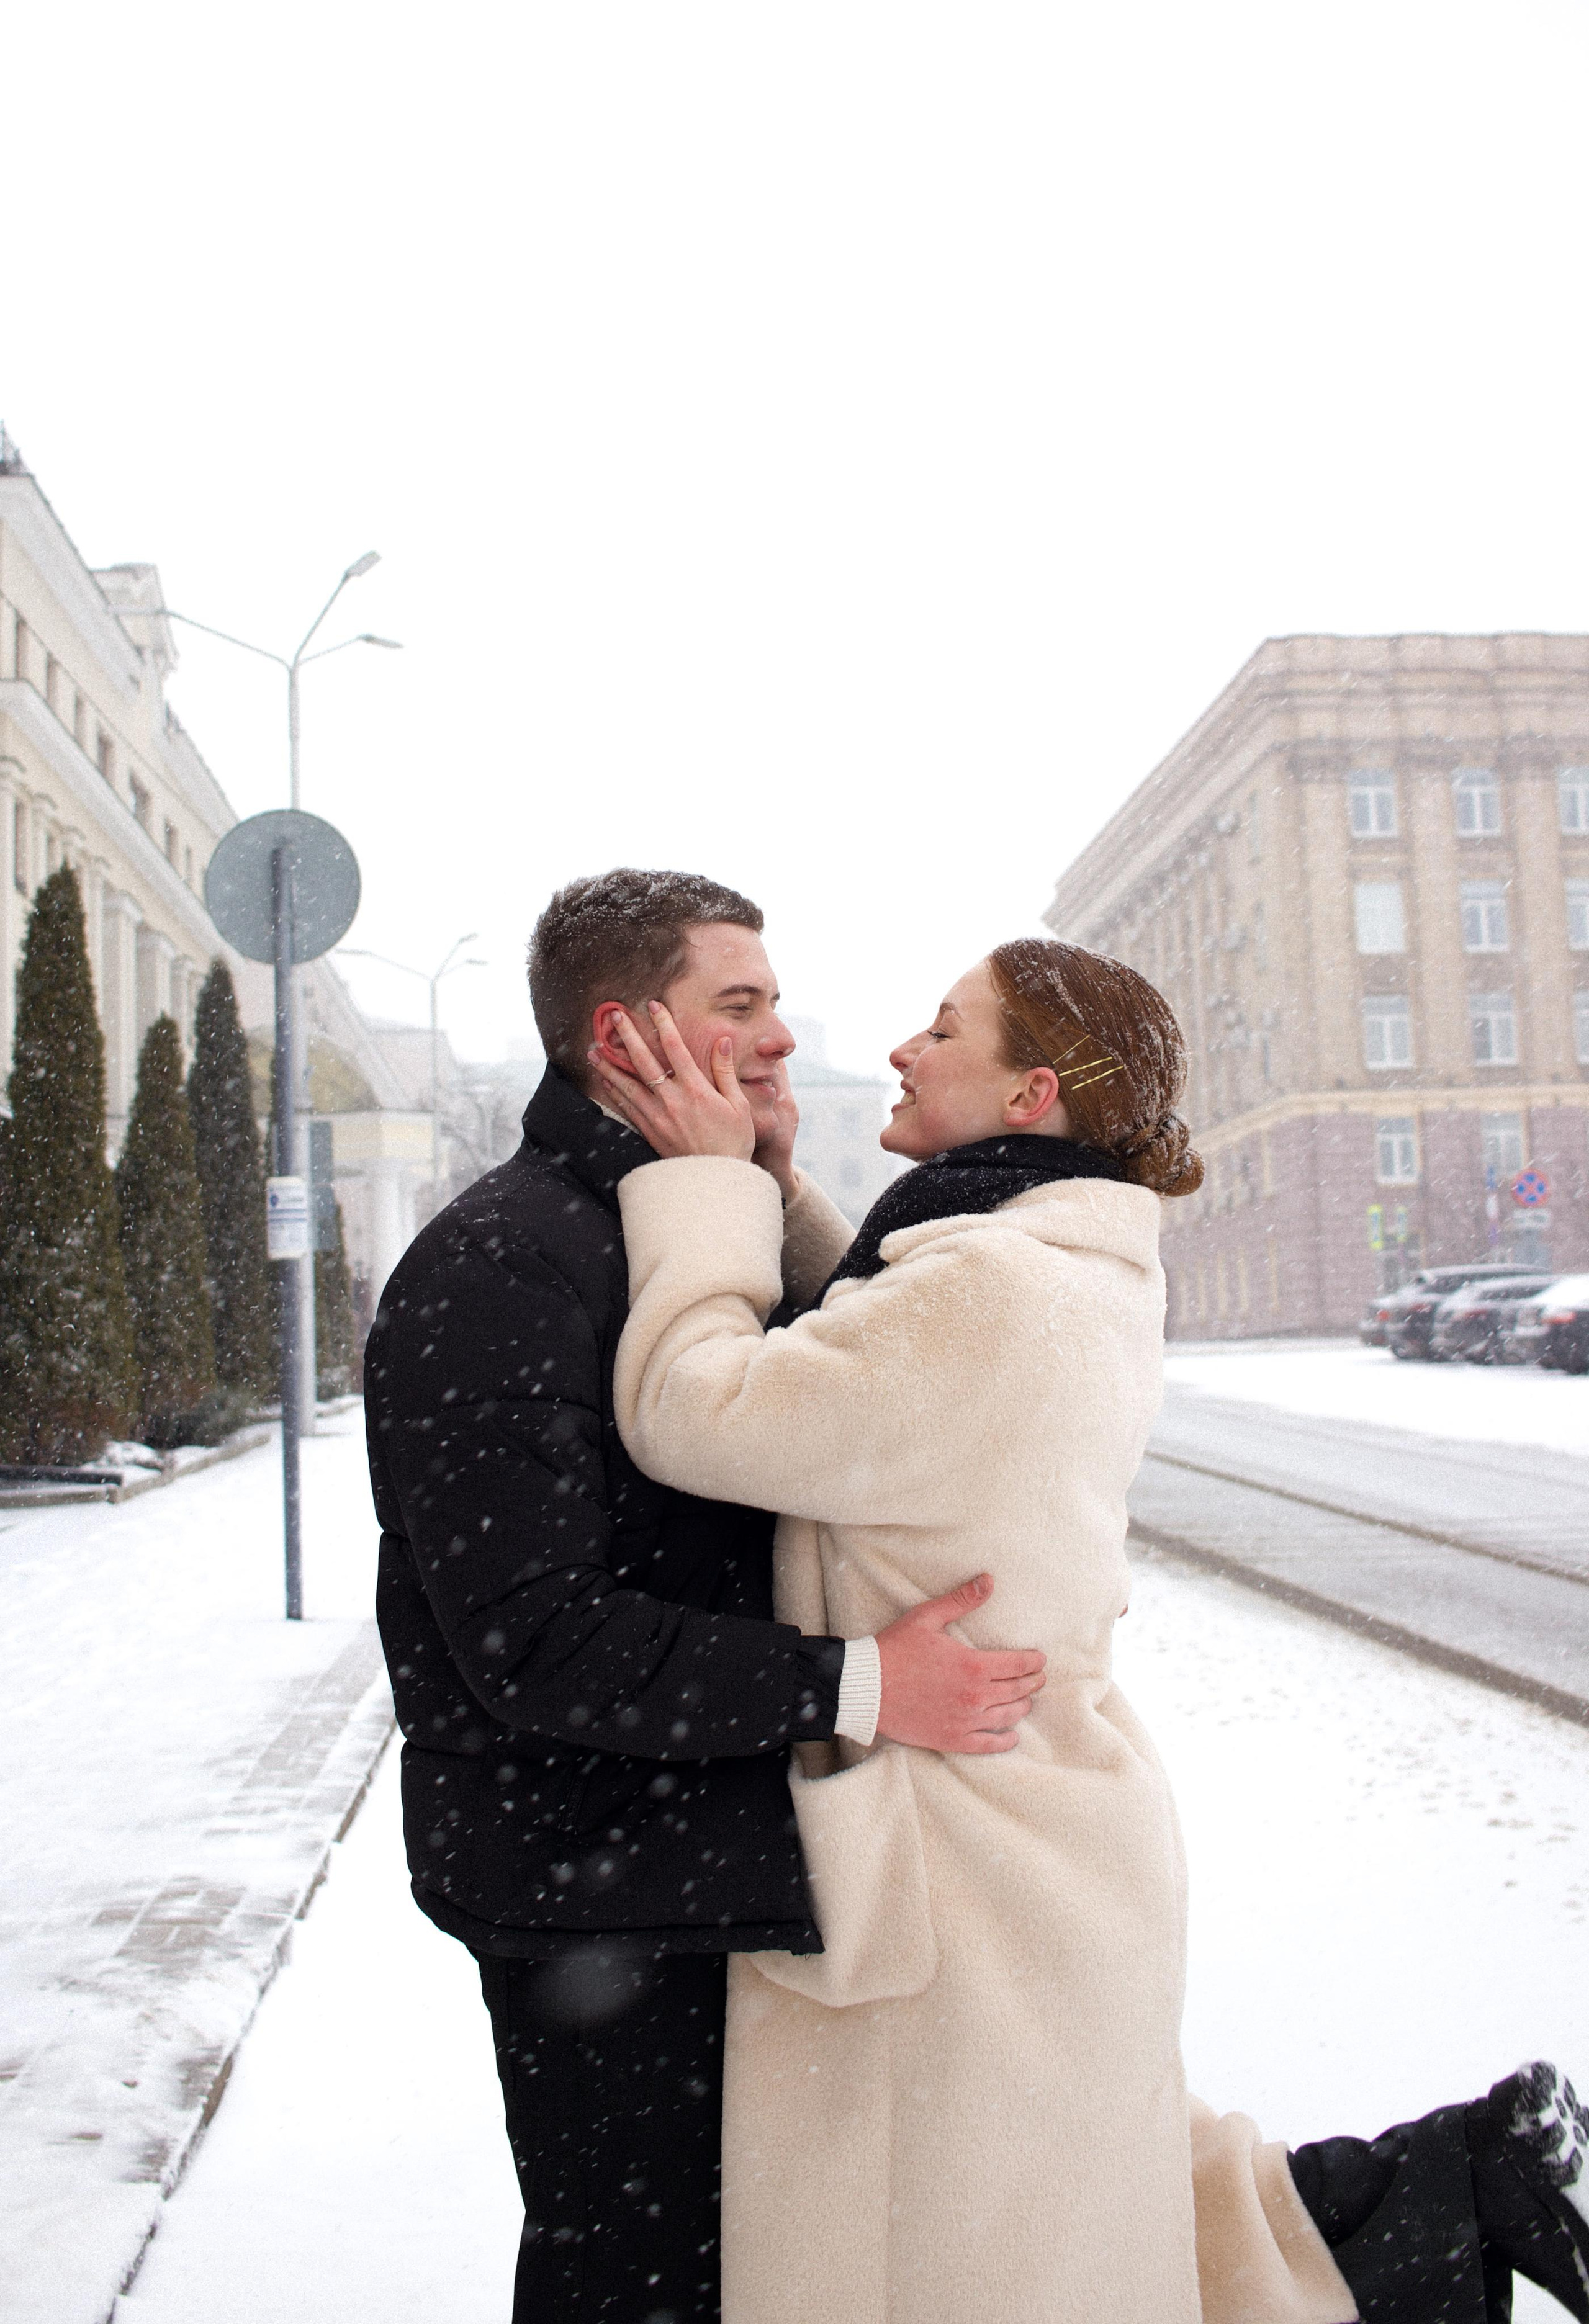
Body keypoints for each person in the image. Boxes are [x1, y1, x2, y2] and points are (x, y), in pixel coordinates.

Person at [596, 936, 1589, 2324]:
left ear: (1029, 1095)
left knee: (981, 2272)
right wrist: (776, 1184)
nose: (901, 1048)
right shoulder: (1062, 1264)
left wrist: (702, 1184)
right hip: (1031, 1836)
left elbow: (696, 1410)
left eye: (943, 1029)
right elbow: (884, 1348)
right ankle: (1451, 2187)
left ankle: (1445, 2194)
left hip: (966, 1858)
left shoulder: (987, 1293)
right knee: (1083, 2237)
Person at [365, 869, 1047, 2324]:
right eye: (737, 1005)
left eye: (776, 1003)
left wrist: (769, 1186)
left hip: (719, 1865)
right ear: (623, 1040)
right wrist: (854, 1682)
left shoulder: (679, 1232)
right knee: (638, 2287)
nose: (784, 1037)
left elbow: (832, 1419)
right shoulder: (499, 1260)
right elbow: (533, 1639)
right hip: (599, 1900)